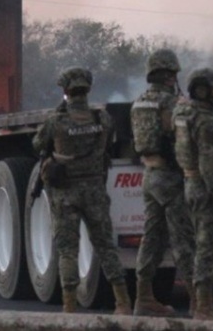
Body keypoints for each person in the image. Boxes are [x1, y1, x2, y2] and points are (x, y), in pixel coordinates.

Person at [31, 67, 131, 315]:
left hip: (65, 193)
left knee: (67, 250)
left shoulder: (57, 122)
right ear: (87, 89)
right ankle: (123, 303)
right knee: (106, 246)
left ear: (65, 91)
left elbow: (37, 144)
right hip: (95, 190)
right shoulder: (102, 119)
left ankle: (70, 307)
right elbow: (108, 145)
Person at [130, 49, 195, 317]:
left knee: (152, 238)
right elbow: (182, 140)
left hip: (150, 174)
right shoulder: (173, 104)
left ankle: (143, 297)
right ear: (170, 75)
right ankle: (199, 301)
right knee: (184, 238)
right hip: (171, 176)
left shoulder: (139, 102)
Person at [173, 68, 213, 321]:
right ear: (202, 90)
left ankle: (212, 304)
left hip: (192, 183)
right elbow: (210, 166)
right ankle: (204, 307)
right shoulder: (208, 122)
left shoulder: (184, 114)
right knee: (208, 248)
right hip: (205, 188)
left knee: (212, 246)